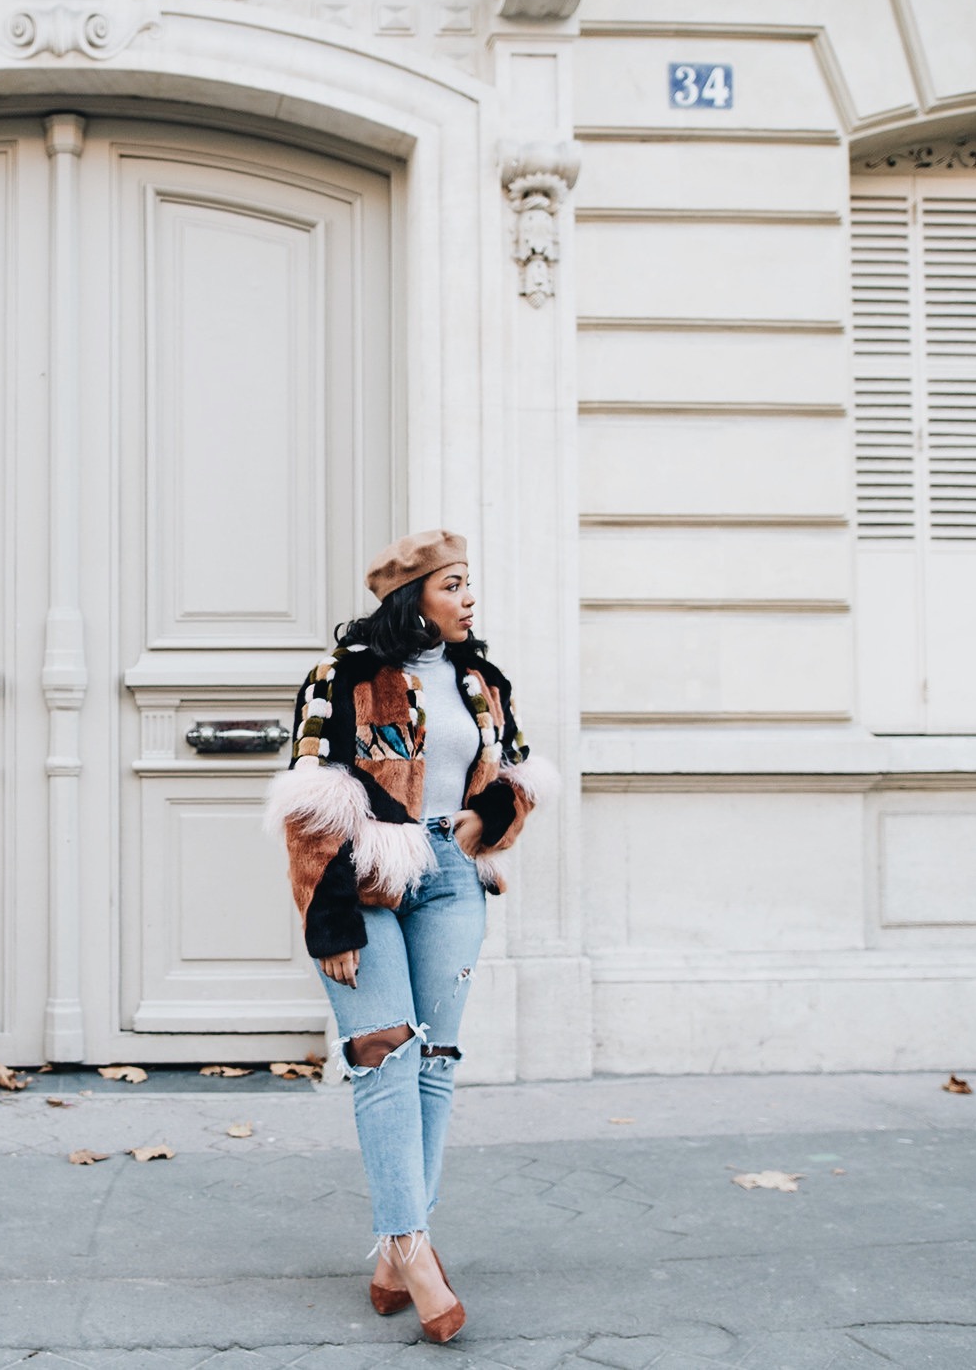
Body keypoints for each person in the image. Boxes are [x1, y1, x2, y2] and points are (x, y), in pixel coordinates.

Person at [265, 530, 553, 1344]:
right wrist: (328, 917)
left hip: (452, 876)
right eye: (454, 584)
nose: (469, 598)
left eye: (470, 584)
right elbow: (311, 796)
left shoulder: (482, 680)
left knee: (433, 1059)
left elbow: (517, 776)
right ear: (413, 594)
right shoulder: (345, 674)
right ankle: (414, 1247)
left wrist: (483, 821)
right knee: (382, 1047)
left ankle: (396, 1249)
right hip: (362, 876)